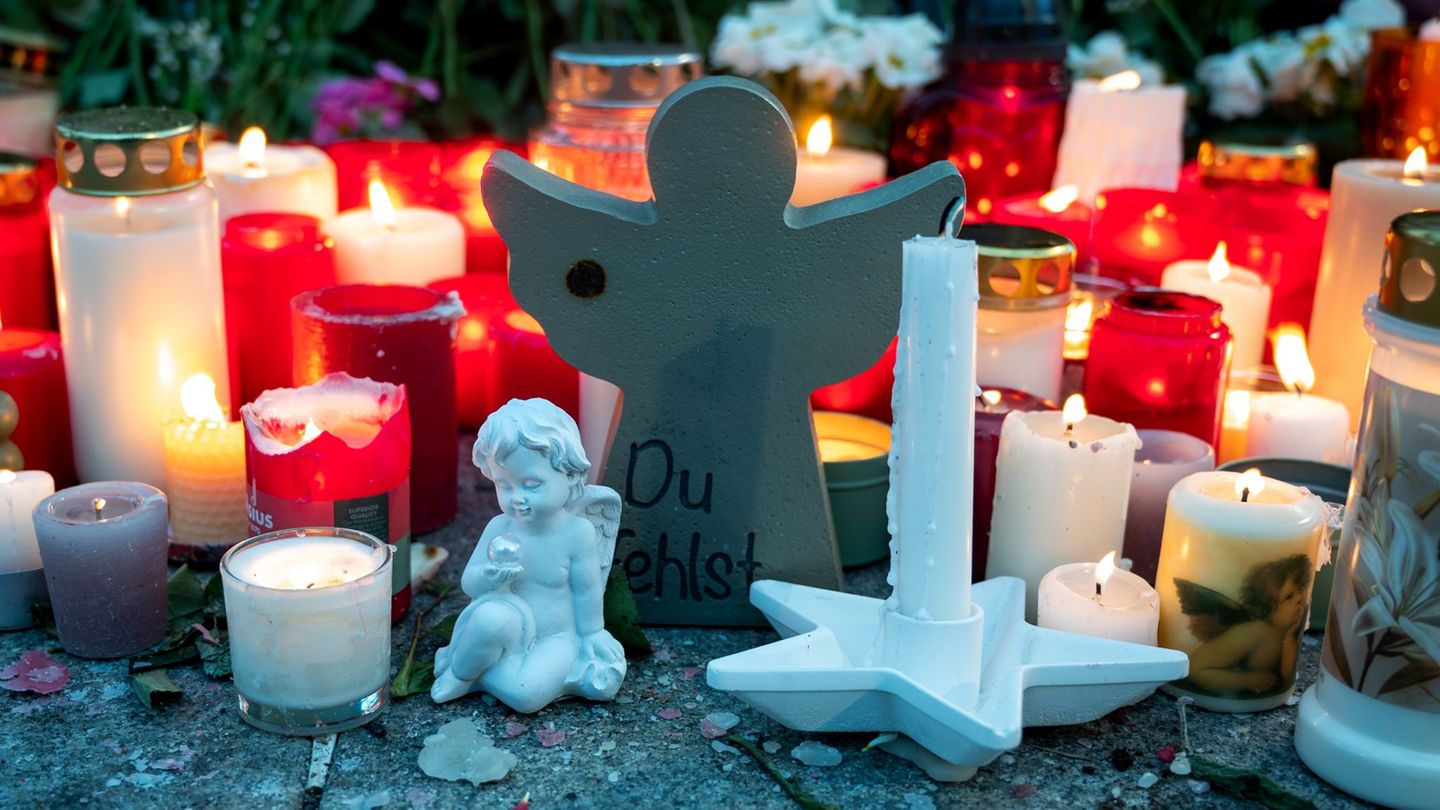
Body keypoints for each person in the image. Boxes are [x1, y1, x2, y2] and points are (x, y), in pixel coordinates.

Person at [431, 398, 626, 712]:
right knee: (491, 616)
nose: (516, 498)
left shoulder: (578, 534)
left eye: (531, 485)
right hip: (506, 621)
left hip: (558, 637)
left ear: (572, 476)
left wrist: (592, 633)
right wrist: (489, 577)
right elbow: (469, 583)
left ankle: (476, 667)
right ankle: (460, 672)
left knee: (526, 696)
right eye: (504, 485)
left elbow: (587, 588)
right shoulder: (501, 527)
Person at [1180, 554, 1311, 696]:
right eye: (1288, 597)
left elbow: (1286, 677)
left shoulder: (1287, 630)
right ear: (1266, 609)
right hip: (1217, 694)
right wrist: (1247, 680)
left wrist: (1291, 638)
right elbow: (1194, 669)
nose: (1300, 597)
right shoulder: (1254, 632)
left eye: (1301, 589)